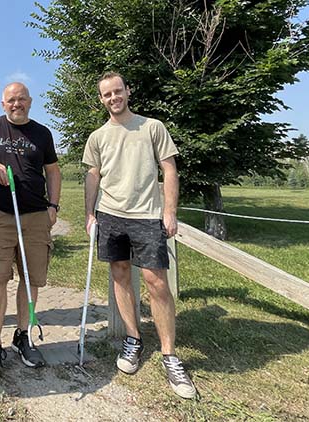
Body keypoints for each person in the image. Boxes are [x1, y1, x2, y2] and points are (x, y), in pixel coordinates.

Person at [82, 71, 197, 399]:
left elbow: (170, 168)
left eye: (118, 91)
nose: (113, 98)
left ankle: (169, 354)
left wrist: (170, 210)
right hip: (111, 215)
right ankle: (133, 339)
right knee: (119, 275)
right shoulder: (98, 136)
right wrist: (90, 214)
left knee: (156, 282)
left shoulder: (152, 127)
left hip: (147, 215)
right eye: (107, 94)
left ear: (128, 91)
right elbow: (93, 175)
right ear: (101, 99)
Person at [0, 82, 61, 381]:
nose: (16, 104)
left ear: (30, 101)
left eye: (21, 99)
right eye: (11, 100)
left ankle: (23, 336)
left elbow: (54, 172)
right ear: (3, 102)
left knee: (31, 278)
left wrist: (54, 206)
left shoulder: (42, 133)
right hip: (2, 215)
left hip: (35, 216)